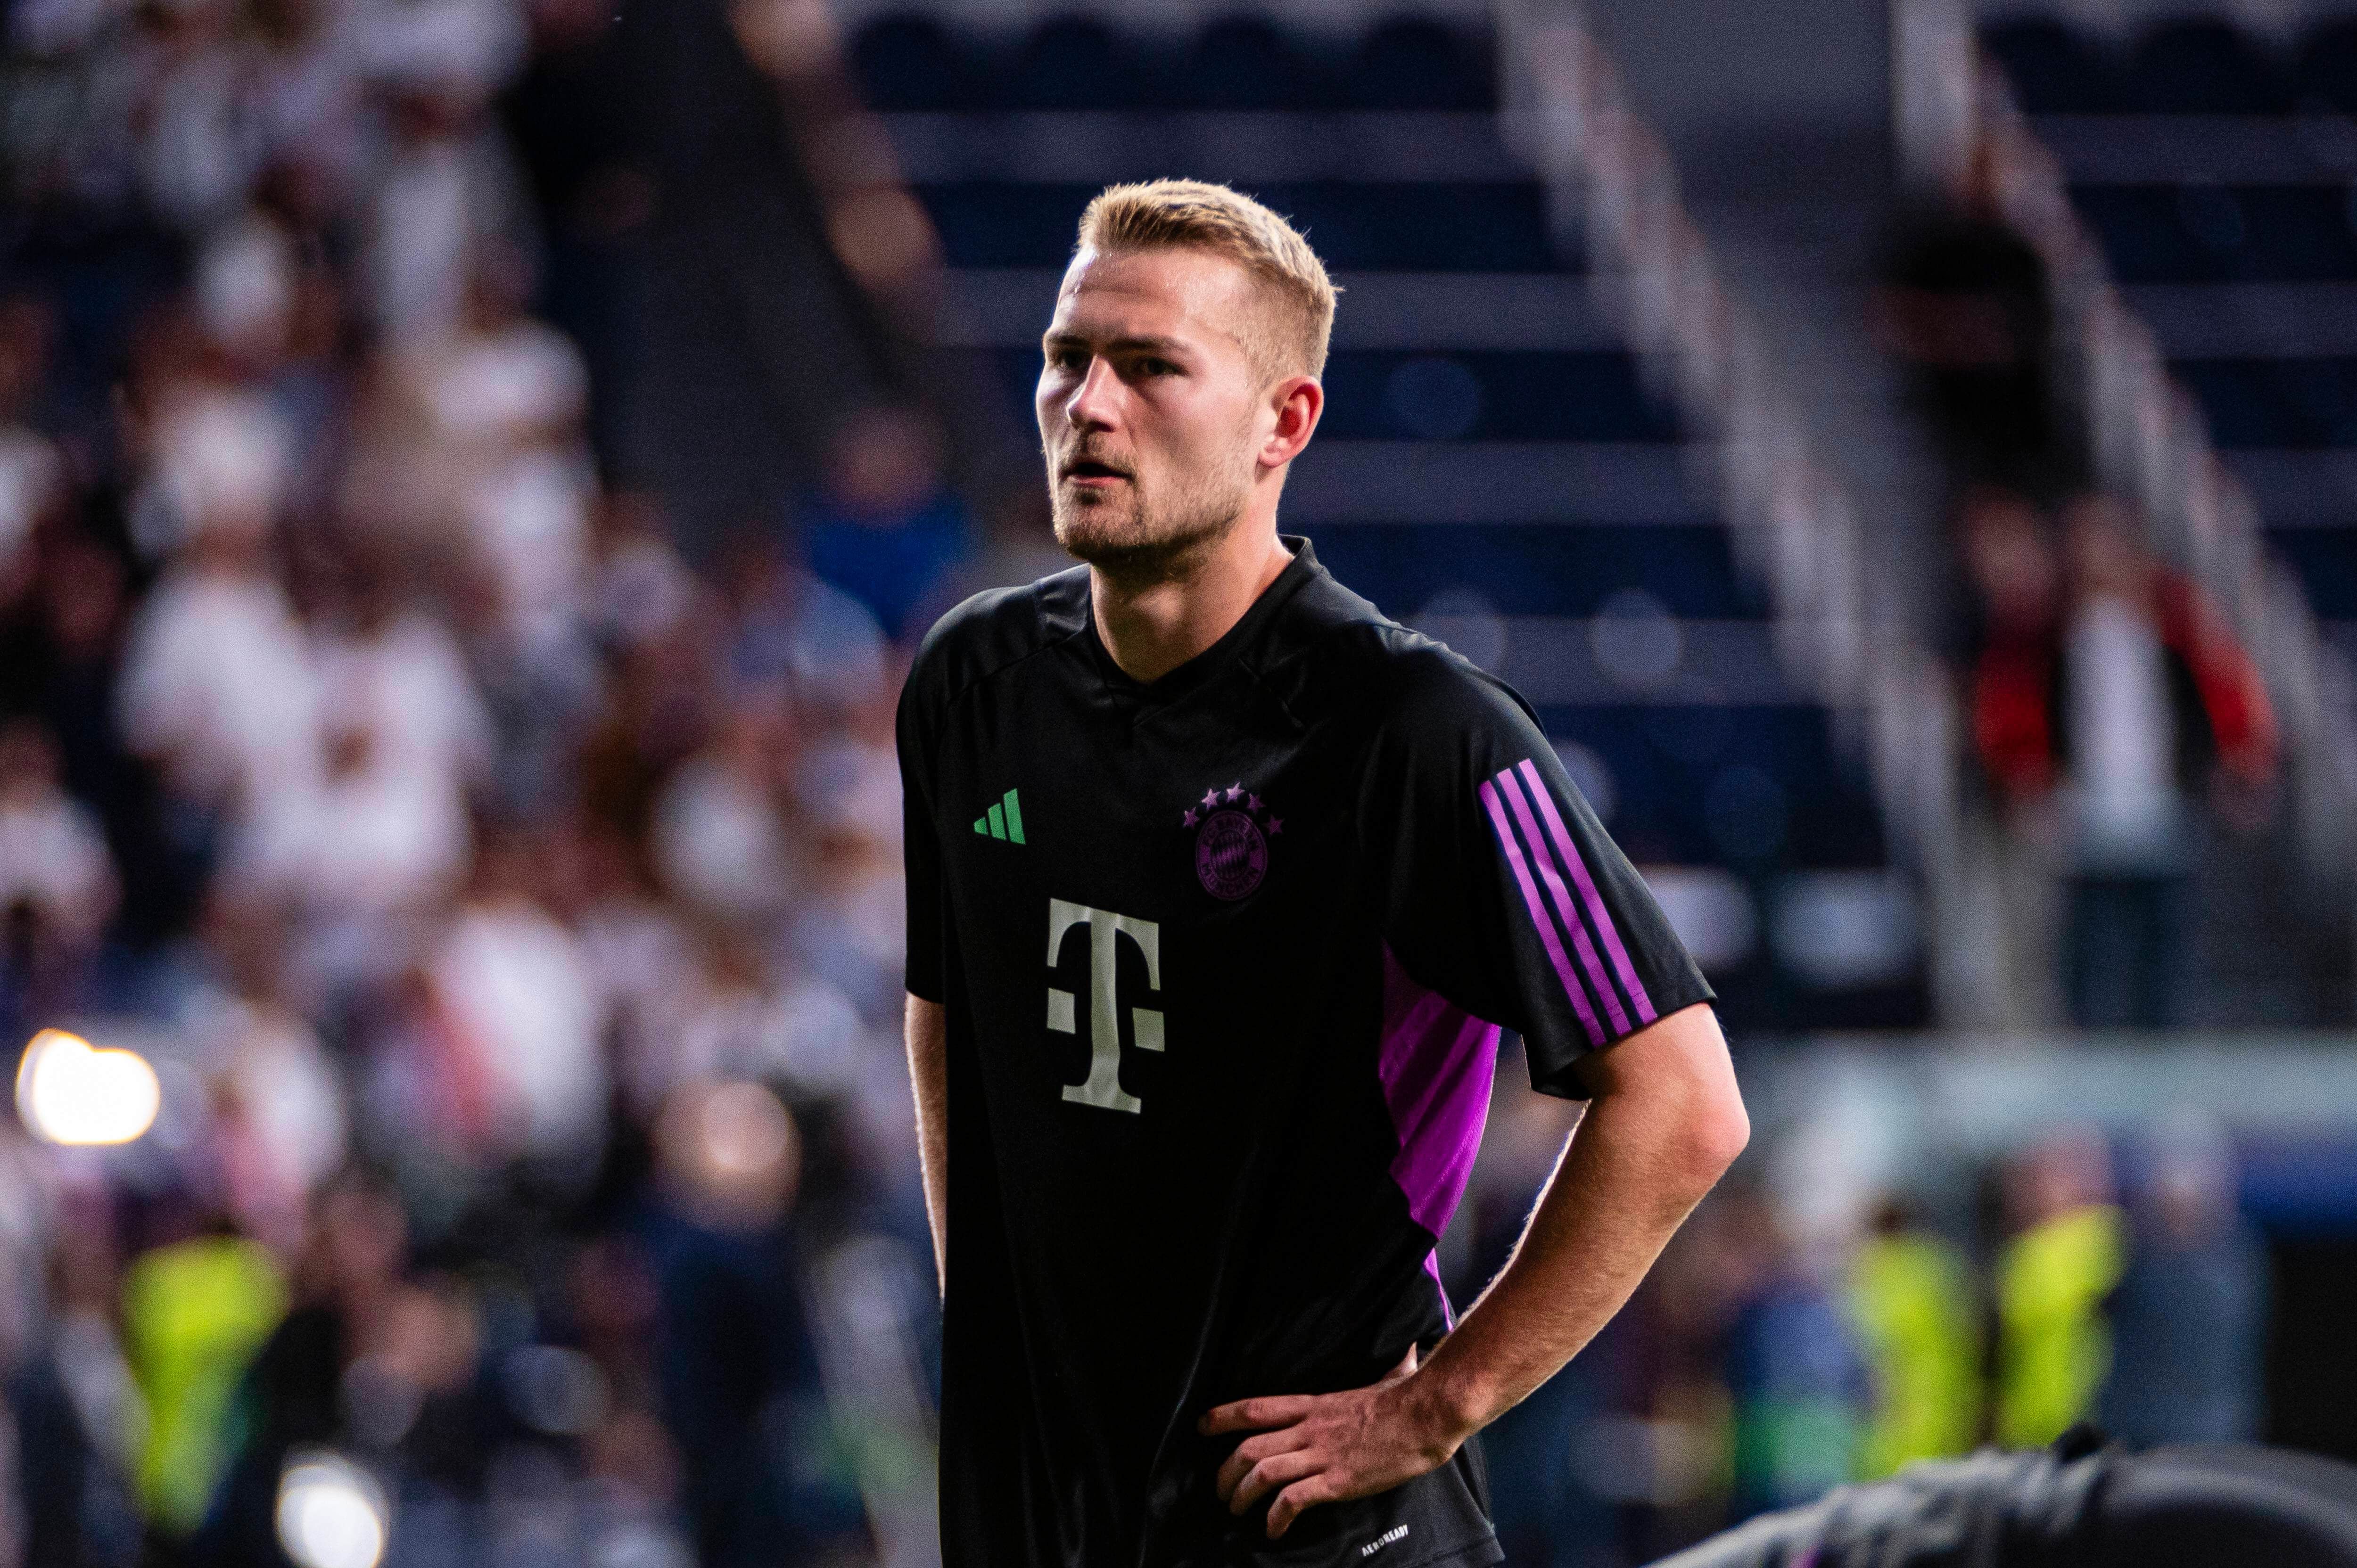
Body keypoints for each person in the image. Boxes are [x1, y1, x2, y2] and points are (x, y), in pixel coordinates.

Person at [896, 179, 1749, 1566]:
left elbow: (1685, 1102)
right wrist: (986, 1319)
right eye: (1068, 359)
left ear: (1283, 423)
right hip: (1042, 1507)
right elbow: (949, 1008)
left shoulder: (1409, 730)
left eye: (1153, 366)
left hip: (1301, 1518)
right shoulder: (970, 681)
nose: (1088, 406)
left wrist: (1437, 1406)